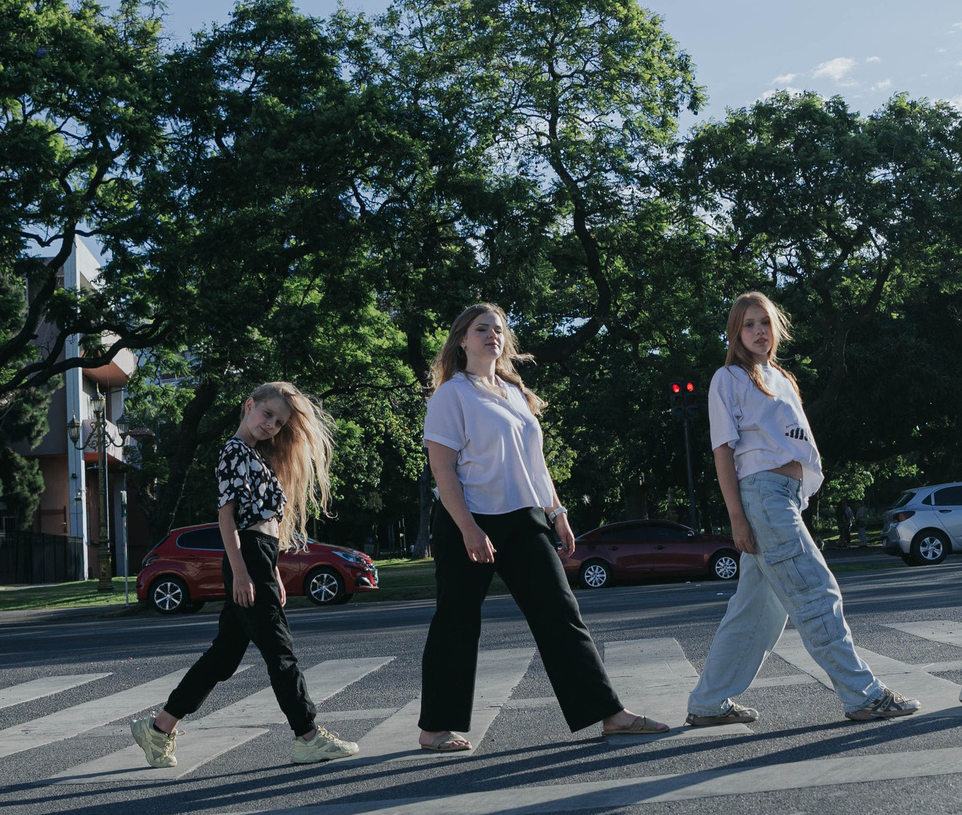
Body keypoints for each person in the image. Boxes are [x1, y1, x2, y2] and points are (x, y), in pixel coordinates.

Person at [418, 304, 667, 750]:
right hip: (469, 519)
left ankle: (609, 714)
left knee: (561, 614)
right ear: (462, 340)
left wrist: (558, 512)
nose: (492, 335)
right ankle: (435, 727)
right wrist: (469, 529)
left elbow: (536, 464)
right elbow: (443, 470)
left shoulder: (514, 392)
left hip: (524, 518)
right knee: (457, 621)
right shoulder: (451, 395)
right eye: (481, 329)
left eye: (498, 329)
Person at [683, 292, 918, 728]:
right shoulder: (729, 378)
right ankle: (862, 695)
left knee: (756, 610)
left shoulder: (781, 378)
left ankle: (709, 702)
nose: (758, 332)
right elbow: (723, 451)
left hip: (785, 498)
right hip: (763, 497)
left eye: (765, 323)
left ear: (777, 328)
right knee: (816, 591)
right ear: (735, 332)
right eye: (748, 324)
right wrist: (737, 517)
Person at [130, 384, 362, 769]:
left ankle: (158, 728)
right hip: (247, 559)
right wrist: (241, 572)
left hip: (260, 558)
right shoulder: (233, 451)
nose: (271, 425)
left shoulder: (254, 456)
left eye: (279, 422)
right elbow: (228, 516)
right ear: (249, 405)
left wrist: (270, 567)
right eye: (266, 414)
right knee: (280, 653)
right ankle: (307, 736)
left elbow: (263, 521)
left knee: (223, 658)